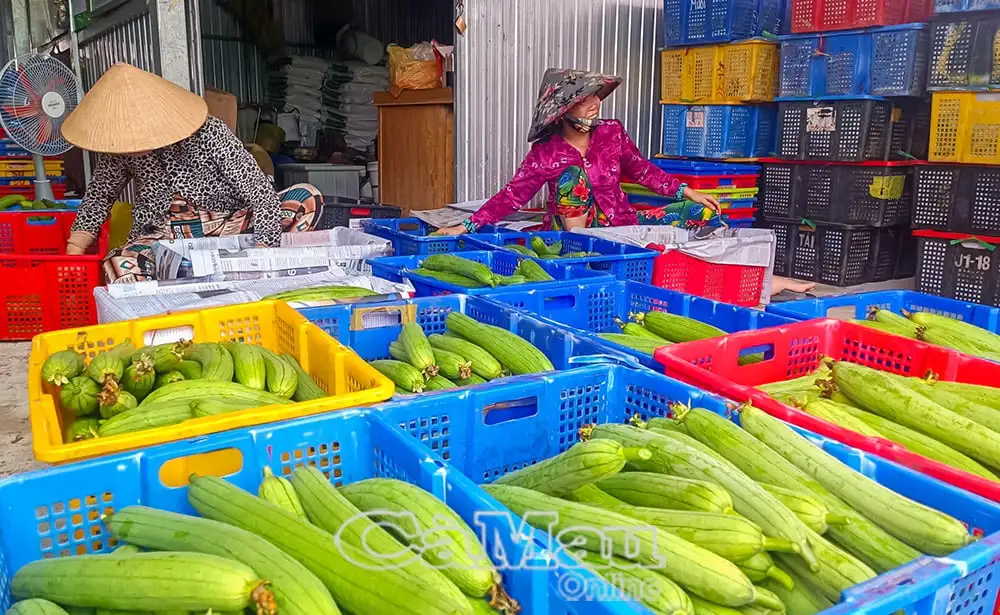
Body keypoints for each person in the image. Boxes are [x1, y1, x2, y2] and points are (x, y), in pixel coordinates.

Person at [440, 67, 815, 295]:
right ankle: (585, 256)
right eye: (585, 99)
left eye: (596, 97)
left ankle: (756, 281)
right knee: (573, 177)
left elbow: (642, 169)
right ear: (563, 109)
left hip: (623, 226)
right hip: (573, 236)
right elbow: (511, 196)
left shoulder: (611, 134)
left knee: (701, 214)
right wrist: (467, 224)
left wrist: (687, 191)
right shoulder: (546, 153)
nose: (595, 103)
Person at [62, 63, 324, 284]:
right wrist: (73, 253)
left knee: (307, 197)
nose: (137, 146)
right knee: (117, 263)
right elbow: (98, 198)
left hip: (227, 228)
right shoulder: (119, 147)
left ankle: (253, 276)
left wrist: (263, 253)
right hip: (161, 237)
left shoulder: (210, 132)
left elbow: (260, 193)